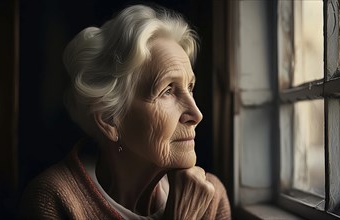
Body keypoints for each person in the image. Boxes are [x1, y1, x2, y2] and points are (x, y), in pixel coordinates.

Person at [20, 4, 231, 219]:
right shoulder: (54, 200)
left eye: (190, 88)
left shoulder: (209, 196)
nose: (196, 114)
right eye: (167, 91)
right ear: (110, 119)